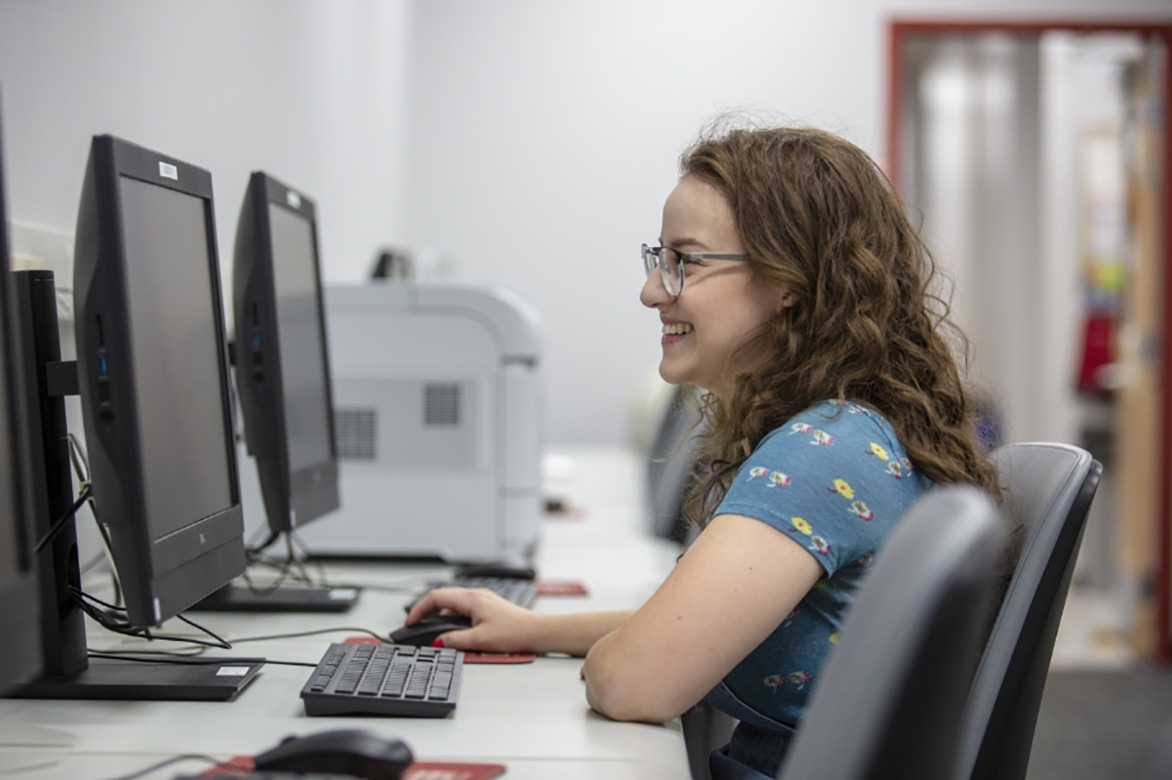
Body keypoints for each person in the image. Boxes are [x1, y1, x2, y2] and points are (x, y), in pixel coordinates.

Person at [403, 122, 1003, 779]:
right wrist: (530, 630)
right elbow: (706, 625)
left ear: (788, 280)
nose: (653, 291)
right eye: (657, 260)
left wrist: (608, 657)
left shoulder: (821, 452)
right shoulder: (856, 432)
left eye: (684, 261)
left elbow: (632, 682)